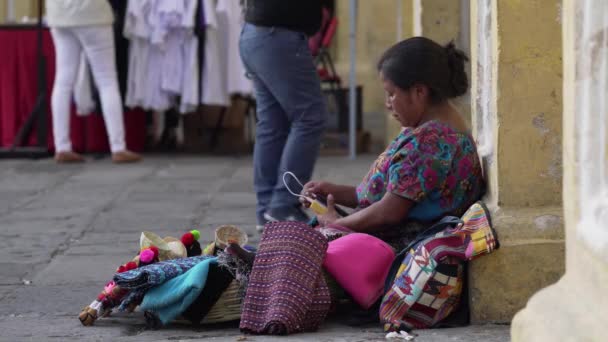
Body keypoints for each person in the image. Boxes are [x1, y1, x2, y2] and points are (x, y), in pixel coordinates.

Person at [302, 37, 485, 250]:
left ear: (419, 92)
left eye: (392, 94)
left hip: (395, 253)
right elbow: (386, 195)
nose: (388, 104)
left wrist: (336, 224)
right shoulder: (440, 130)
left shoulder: (430, 143)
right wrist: (331, 191)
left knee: (289, 251)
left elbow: (388, 212)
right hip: (388, 240)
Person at [239, 0, 328, 231]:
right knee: (310, 118)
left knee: (272, 124)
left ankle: (268, 210)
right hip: (279, 34)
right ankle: (282, 206)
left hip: (256, 33)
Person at [46, 0, 141, 163]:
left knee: (63, 81)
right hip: (93, 13)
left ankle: (62, 146)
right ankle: (118, 147)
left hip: (59, 13)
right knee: (107, 80)